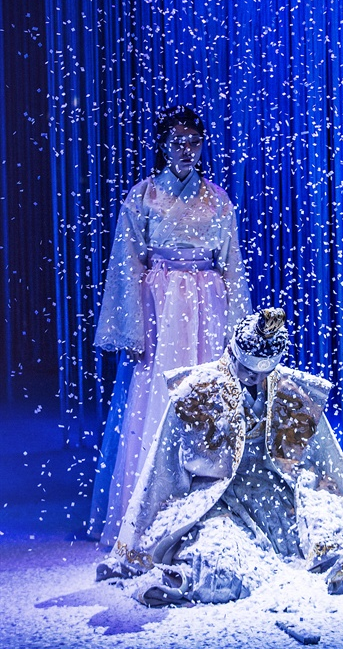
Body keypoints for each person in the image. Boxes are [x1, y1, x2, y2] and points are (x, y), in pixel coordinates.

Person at [96, 308, 343, 605]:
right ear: (233, 352)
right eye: (248, 369)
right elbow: (163, 465)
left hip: (278, 495)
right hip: (220, 498)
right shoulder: (196, 389)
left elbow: (326, 459)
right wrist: (141, 535)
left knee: (334, 534)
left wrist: (321, 490)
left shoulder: (291, 389)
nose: (254, 378)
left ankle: (341, 561)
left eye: (264, 372)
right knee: (219, 566)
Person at [88, 106, 252, 545]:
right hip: (161, 305)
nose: (186, 150)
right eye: (177, 142)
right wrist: (132, 328)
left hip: (208, 304)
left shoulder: (218, 199)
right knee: (157, 396)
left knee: (207, 394)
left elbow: (232, 264)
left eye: (194, 142)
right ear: (162, 145)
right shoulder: (144, 196)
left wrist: (238, 328)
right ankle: (148, 511)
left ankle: (209, 508)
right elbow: (126, 264)